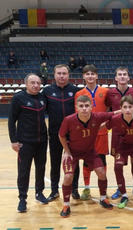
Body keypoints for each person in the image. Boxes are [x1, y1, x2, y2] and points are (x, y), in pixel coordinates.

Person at [59, 95, 118, 218]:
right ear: (76, 107)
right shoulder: (68, 120)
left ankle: (103, 198)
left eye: (87, 106)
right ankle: (66, 204)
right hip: (73, 152)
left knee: (101, 172)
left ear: (91, 107)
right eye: (81, 106)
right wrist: (67, 151)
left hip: (89, 151)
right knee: (68, 177)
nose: (84, 108)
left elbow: (113, 113)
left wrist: (131, 110)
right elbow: (61, 136)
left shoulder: (97, 117)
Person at [8, 73, 48, 213]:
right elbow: (11, 120)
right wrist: (13, 141)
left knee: (41, 168)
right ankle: (22, 199)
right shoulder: (19, 98)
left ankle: (39, 193)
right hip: (25, 142)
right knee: (24, 171)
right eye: (32, 82)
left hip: (42, 140)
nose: (36, 85)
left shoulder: (43, 97)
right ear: (26, 84)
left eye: (38, 83)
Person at [42, 64, 81, 202]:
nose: (61, 76)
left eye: (64, 73)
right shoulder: (47, 91)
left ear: (68, 75)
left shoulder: (76, 91)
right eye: (59, 73)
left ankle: (75, 189)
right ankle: (54, 190)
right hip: (54, 134)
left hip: (73, 134)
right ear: (54, 75)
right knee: (55, 162)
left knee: (74, 162)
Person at [106, 67, 133, 200]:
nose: (122, 77)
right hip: (117, 132)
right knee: (118, 163)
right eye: (119, 75)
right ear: (115, 78)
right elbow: (107, 109)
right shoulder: (110, 93)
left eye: (124, 75)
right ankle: (120, 188)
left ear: (128, 77)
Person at [74, 64, 109, 200]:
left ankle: (103, 189)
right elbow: (78, 115)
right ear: (83, 76)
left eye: (92, 74)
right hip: (87, 134)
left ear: (97, 75)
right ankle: (87, 188)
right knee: (87, 161)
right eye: (87, 74)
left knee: (102, 160)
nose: (90, 76)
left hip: (102, 133)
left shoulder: (105, 92)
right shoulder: (79, 94)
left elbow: (110, 111)